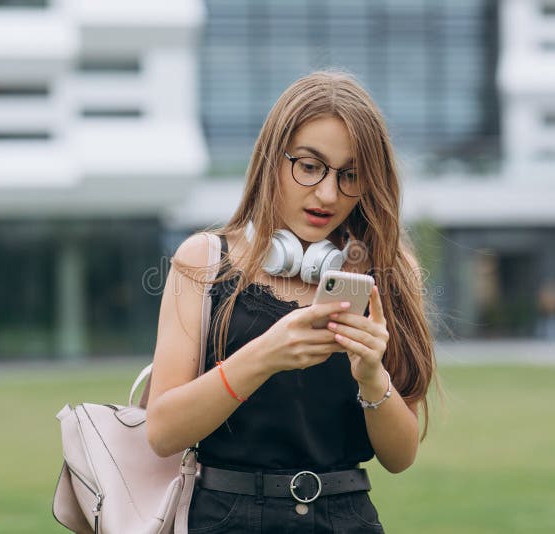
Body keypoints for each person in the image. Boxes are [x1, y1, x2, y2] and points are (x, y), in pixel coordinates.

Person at [146, 70, 438, 533]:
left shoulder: (388, 269)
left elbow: (400, 458)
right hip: (225, 519)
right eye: (308, 165)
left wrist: (371, 376)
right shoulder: (202, 260)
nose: (327, 193)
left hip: (346, 519)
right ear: (271, 160)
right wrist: (264, 355)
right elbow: (161, 432)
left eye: (350, 176)